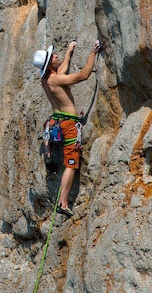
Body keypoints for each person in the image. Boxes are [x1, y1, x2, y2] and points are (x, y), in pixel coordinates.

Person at [33, 39, 101, 217]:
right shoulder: (55, 78)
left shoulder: (46, 79)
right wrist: (93, 54)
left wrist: (69, 52)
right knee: (71, 163)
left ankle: (62, 199)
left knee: (68, 162)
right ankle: (63, 203)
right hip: (69, 125)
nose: (56, 55)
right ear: (49, 65)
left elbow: (60, 72)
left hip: (57, 121)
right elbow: (82, 76)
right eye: (53, 56)